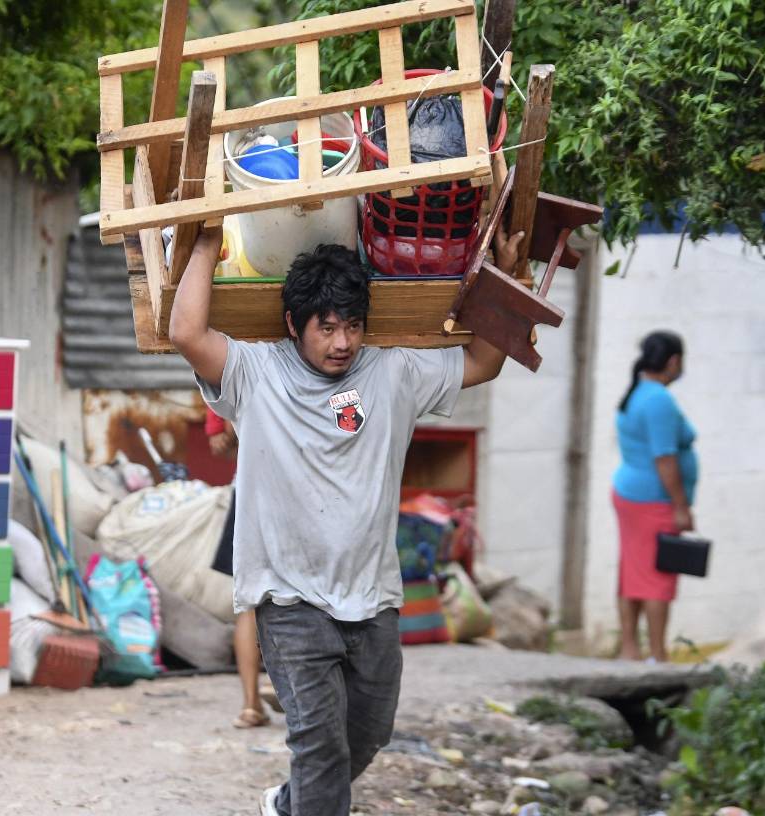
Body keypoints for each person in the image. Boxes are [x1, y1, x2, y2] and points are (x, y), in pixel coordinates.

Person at [169, 226, 523, 816]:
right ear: (293, 324)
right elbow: (185, 331)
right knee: (318, 746)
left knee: (367, 735)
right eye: (326, 327)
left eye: (352, 326)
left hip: (373, 599)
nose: (342, 342)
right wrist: (206, 243)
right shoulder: (255, 375)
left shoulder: (394, 373)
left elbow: (483, 362)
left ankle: (288, 805)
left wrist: (506, 278)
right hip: (289, 600)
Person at [610, 331, 696, 663]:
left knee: (632, 571)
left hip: (630, 494)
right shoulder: (658, 399)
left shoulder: (638, 391)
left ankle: (630, 649)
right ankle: (658, 656)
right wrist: (681, 507)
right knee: (657, 579)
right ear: (673, 361)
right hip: (652, 500)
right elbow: (665, 458)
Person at [204, 406, 274, 729]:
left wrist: (228, 421)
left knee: (247, 601)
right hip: (293, 488)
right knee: (300, 592)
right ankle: (283, 685)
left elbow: (220, 443)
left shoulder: (230, 365)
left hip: (246, 488)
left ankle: (250, 704)